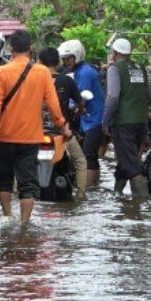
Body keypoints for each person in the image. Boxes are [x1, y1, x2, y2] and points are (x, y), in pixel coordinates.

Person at [0, 31, 71, 224]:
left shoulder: (1, 72)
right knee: (28, 183)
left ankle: (7, 216)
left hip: (5, 136)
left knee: (4, 180)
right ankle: (24, 223)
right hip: (31, 137)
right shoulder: (42, 72)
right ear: (31, 49)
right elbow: (53, 104)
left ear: (11, 50)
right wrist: (63, 127)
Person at [38, 46, 88, 199]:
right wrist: (79, 110)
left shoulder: (33, 80)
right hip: (62, 132)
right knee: (80, 161)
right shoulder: (66, 80)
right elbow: (80, 102)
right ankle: (81, 194)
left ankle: (17, 192)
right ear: (58, 62)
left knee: (22, 162)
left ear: (40, 62)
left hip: (36, 134)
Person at [102, 37, 149, 197]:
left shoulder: (114, 69)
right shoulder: (140, 67)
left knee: (131, 165)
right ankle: (118, 195)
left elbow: (113, 97)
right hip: (141, 122)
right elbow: (147, 96)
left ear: (114, 53)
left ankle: (141, 205)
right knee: (126, 159)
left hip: (123, 123)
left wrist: (105, 122)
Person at [58, 39, 106, 189]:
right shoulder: (81, 71)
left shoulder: (84, 73)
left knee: (88, 155)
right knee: (90, 155)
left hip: (94, 119)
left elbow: (81, 99)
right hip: (91, 119)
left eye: (69, 58)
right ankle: (94, 186)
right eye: (64, 59)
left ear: (77, 56)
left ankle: (90, 186)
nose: (66, 62)